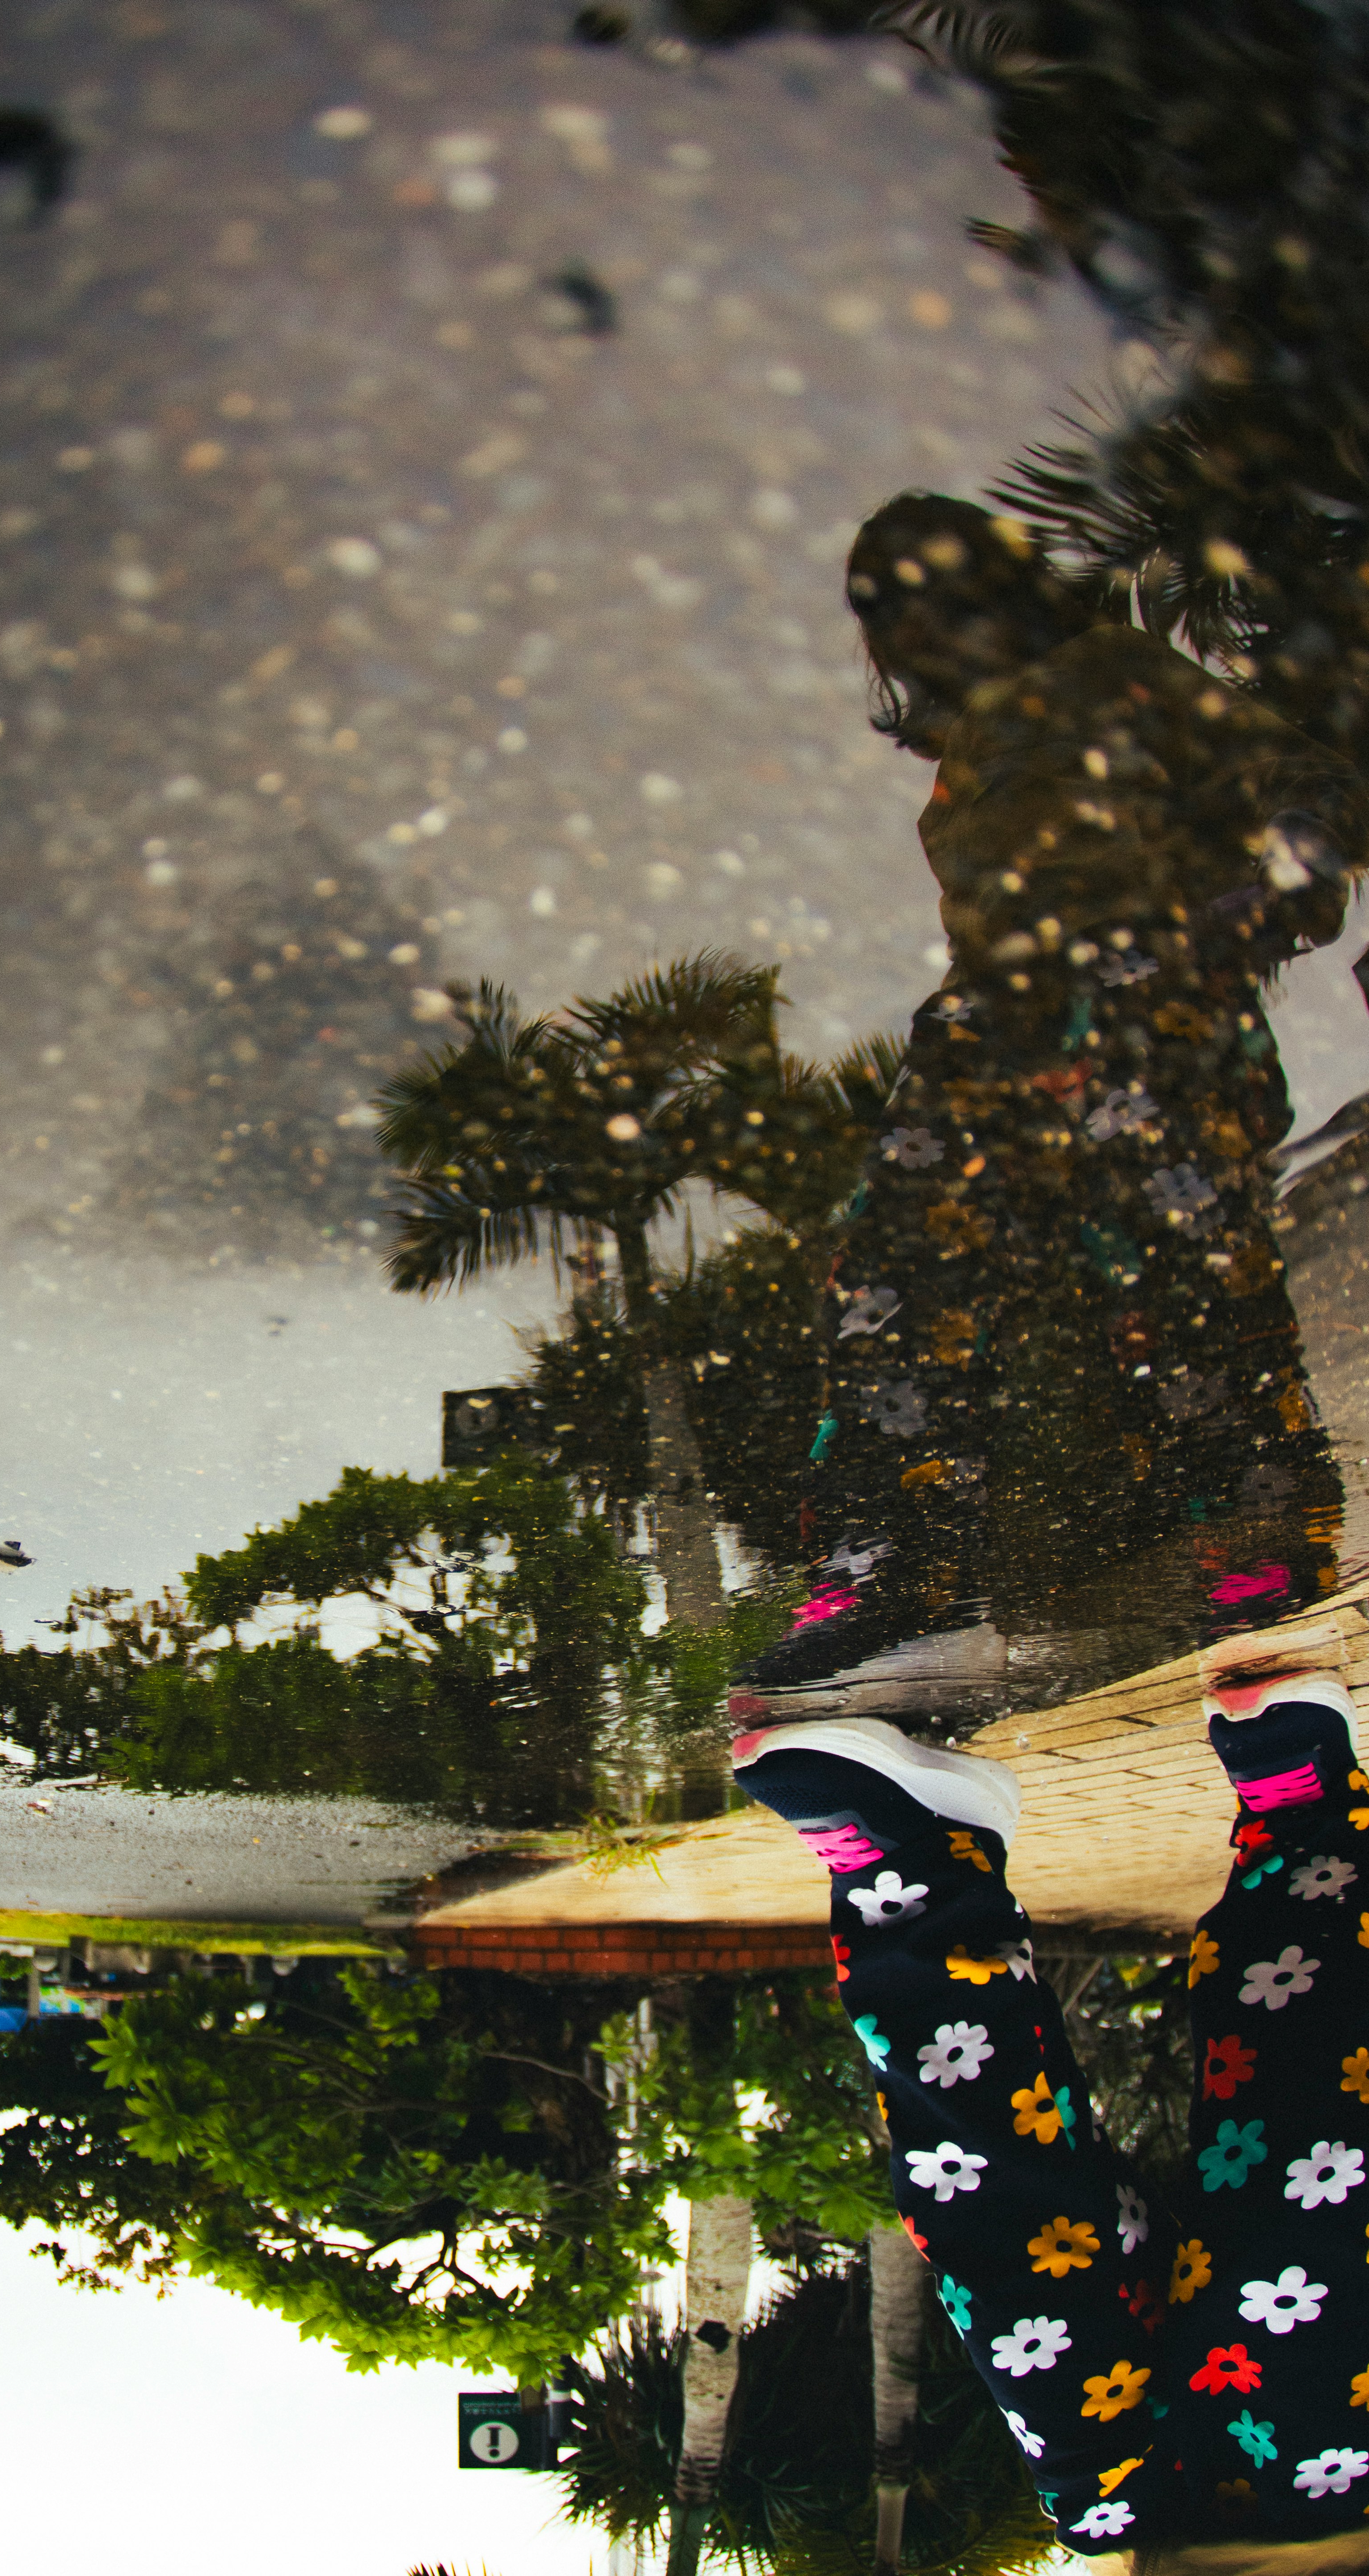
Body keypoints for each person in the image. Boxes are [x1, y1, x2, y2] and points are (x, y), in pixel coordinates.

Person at [731, 494, 1369, 1726]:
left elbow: (1312, 786)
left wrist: (1260, 893)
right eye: (893, 612)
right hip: (989, 1027)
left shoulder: (1116, 671)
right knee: (897, 1274)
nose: (920, 629)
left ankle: (1258, 1529)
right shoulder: (967, 756)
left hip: (1144, 993)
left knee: (1180, 1263)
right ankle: (890, 1563)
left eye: (938, 593)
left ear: (998, 584)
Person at [733, 1672, 1369, 2574]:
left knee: (1006, 2242)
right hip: (1343, 2504)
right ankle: (1307, 1833)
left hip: (1135, 2532)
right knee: (1302, 2223)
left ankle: (920, 1864)